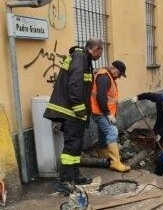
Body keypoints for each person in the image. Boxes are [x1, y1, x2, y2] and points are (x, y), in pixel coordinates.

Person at [43, 38, 104, 196]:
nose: (100, 55)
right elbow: (75, 86)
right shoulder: (80, 58)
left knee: (76, 145)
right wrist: (81, 112)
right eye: (101, 51)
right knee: (71, 147)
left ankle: (74, 176)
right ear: (95, 49)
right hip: (72, 113)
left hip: (74, 112)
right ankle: (63, 181)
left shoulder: (83, 58)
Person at [90, 60, 131, 172]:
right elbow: (101, 97)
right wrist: (108, 114)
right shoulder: (104, 77)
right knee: (112, 131)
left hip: (100, 111)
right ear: (114, 69)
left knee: (103, 132)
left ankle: (104, 155)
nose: (119, 77)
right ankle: (115, 162)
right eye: (119, 74)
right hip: (100, 112)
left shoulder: (107, 76)